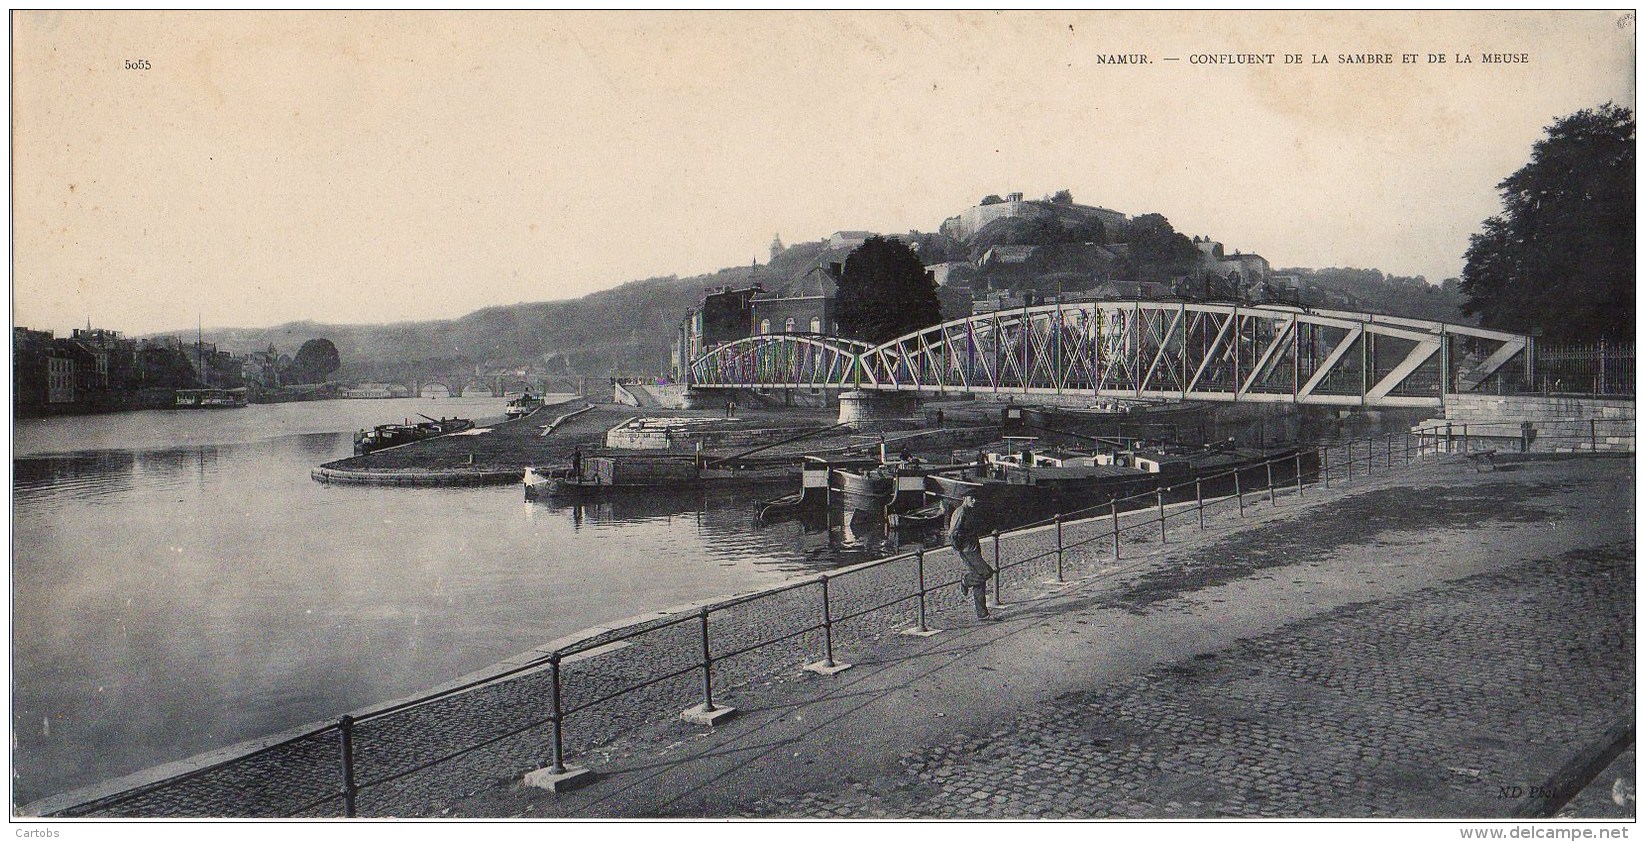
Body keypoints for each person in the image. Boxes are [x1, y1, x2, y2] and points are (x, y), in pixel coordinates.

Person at [946, 494, 995, 621]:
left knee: (980, 580)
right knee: (986, 572)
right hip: (968, 551)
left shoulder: (970, 511)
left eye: (974, 498)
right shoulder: (960, 512)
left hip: (974, 548)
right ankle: (966, 580)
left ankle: (982, 614)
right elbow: (952, 533)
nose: (974, 500)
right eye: (971, 498)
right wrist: (960, 547)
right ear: (964, 499)